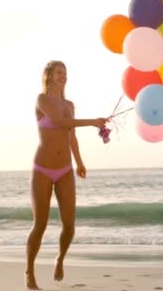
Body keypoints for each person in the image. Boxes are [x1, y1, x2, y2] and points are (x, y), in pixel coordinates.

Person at [25, 60, 108, 290]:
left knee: (69, 226)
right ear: (49, 76)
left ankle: (60, 259)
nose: (63, 76)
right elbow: (60, 122)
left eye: (65, 73)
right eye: (59, 73)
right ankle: (29, 273)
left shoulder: (70, 104)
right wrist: (93, 122)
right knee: (40, 225)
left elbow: (70, 134)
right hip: (42, 169)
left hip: (65, 170)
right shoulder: (42, 100)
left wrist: (80, 162)